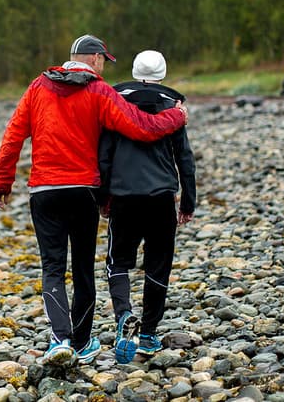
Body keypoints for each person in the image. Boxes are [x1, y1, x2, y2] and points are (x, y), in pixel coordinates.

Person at [0, 35, 189, 368]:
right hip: (83, 190)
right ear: (96, 59)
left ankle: (60, 340)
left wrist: (3, 181)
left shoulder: (38, 87)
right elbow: (142, 127)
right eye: (104, 61)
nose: (104, 67)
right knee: (83, 269)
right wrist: (176, 117)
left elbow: (13, 135)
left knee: (53, 268)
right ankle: (82, 343)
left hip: (44, 191)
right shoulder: (99, 91)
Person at [98, 50, 196, 364]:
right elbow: (184, 159)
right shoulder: (174, 109)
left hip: (124, 196)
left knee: (117, 262)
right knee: (158, 265)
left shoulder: (114, 103)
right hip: (161, 197)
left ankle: (124, 315)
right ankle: (149, 334)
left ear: (134, 70)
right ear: (162, 74)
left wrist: (102, 198)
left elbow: (104, 156)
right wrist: (188, 201)